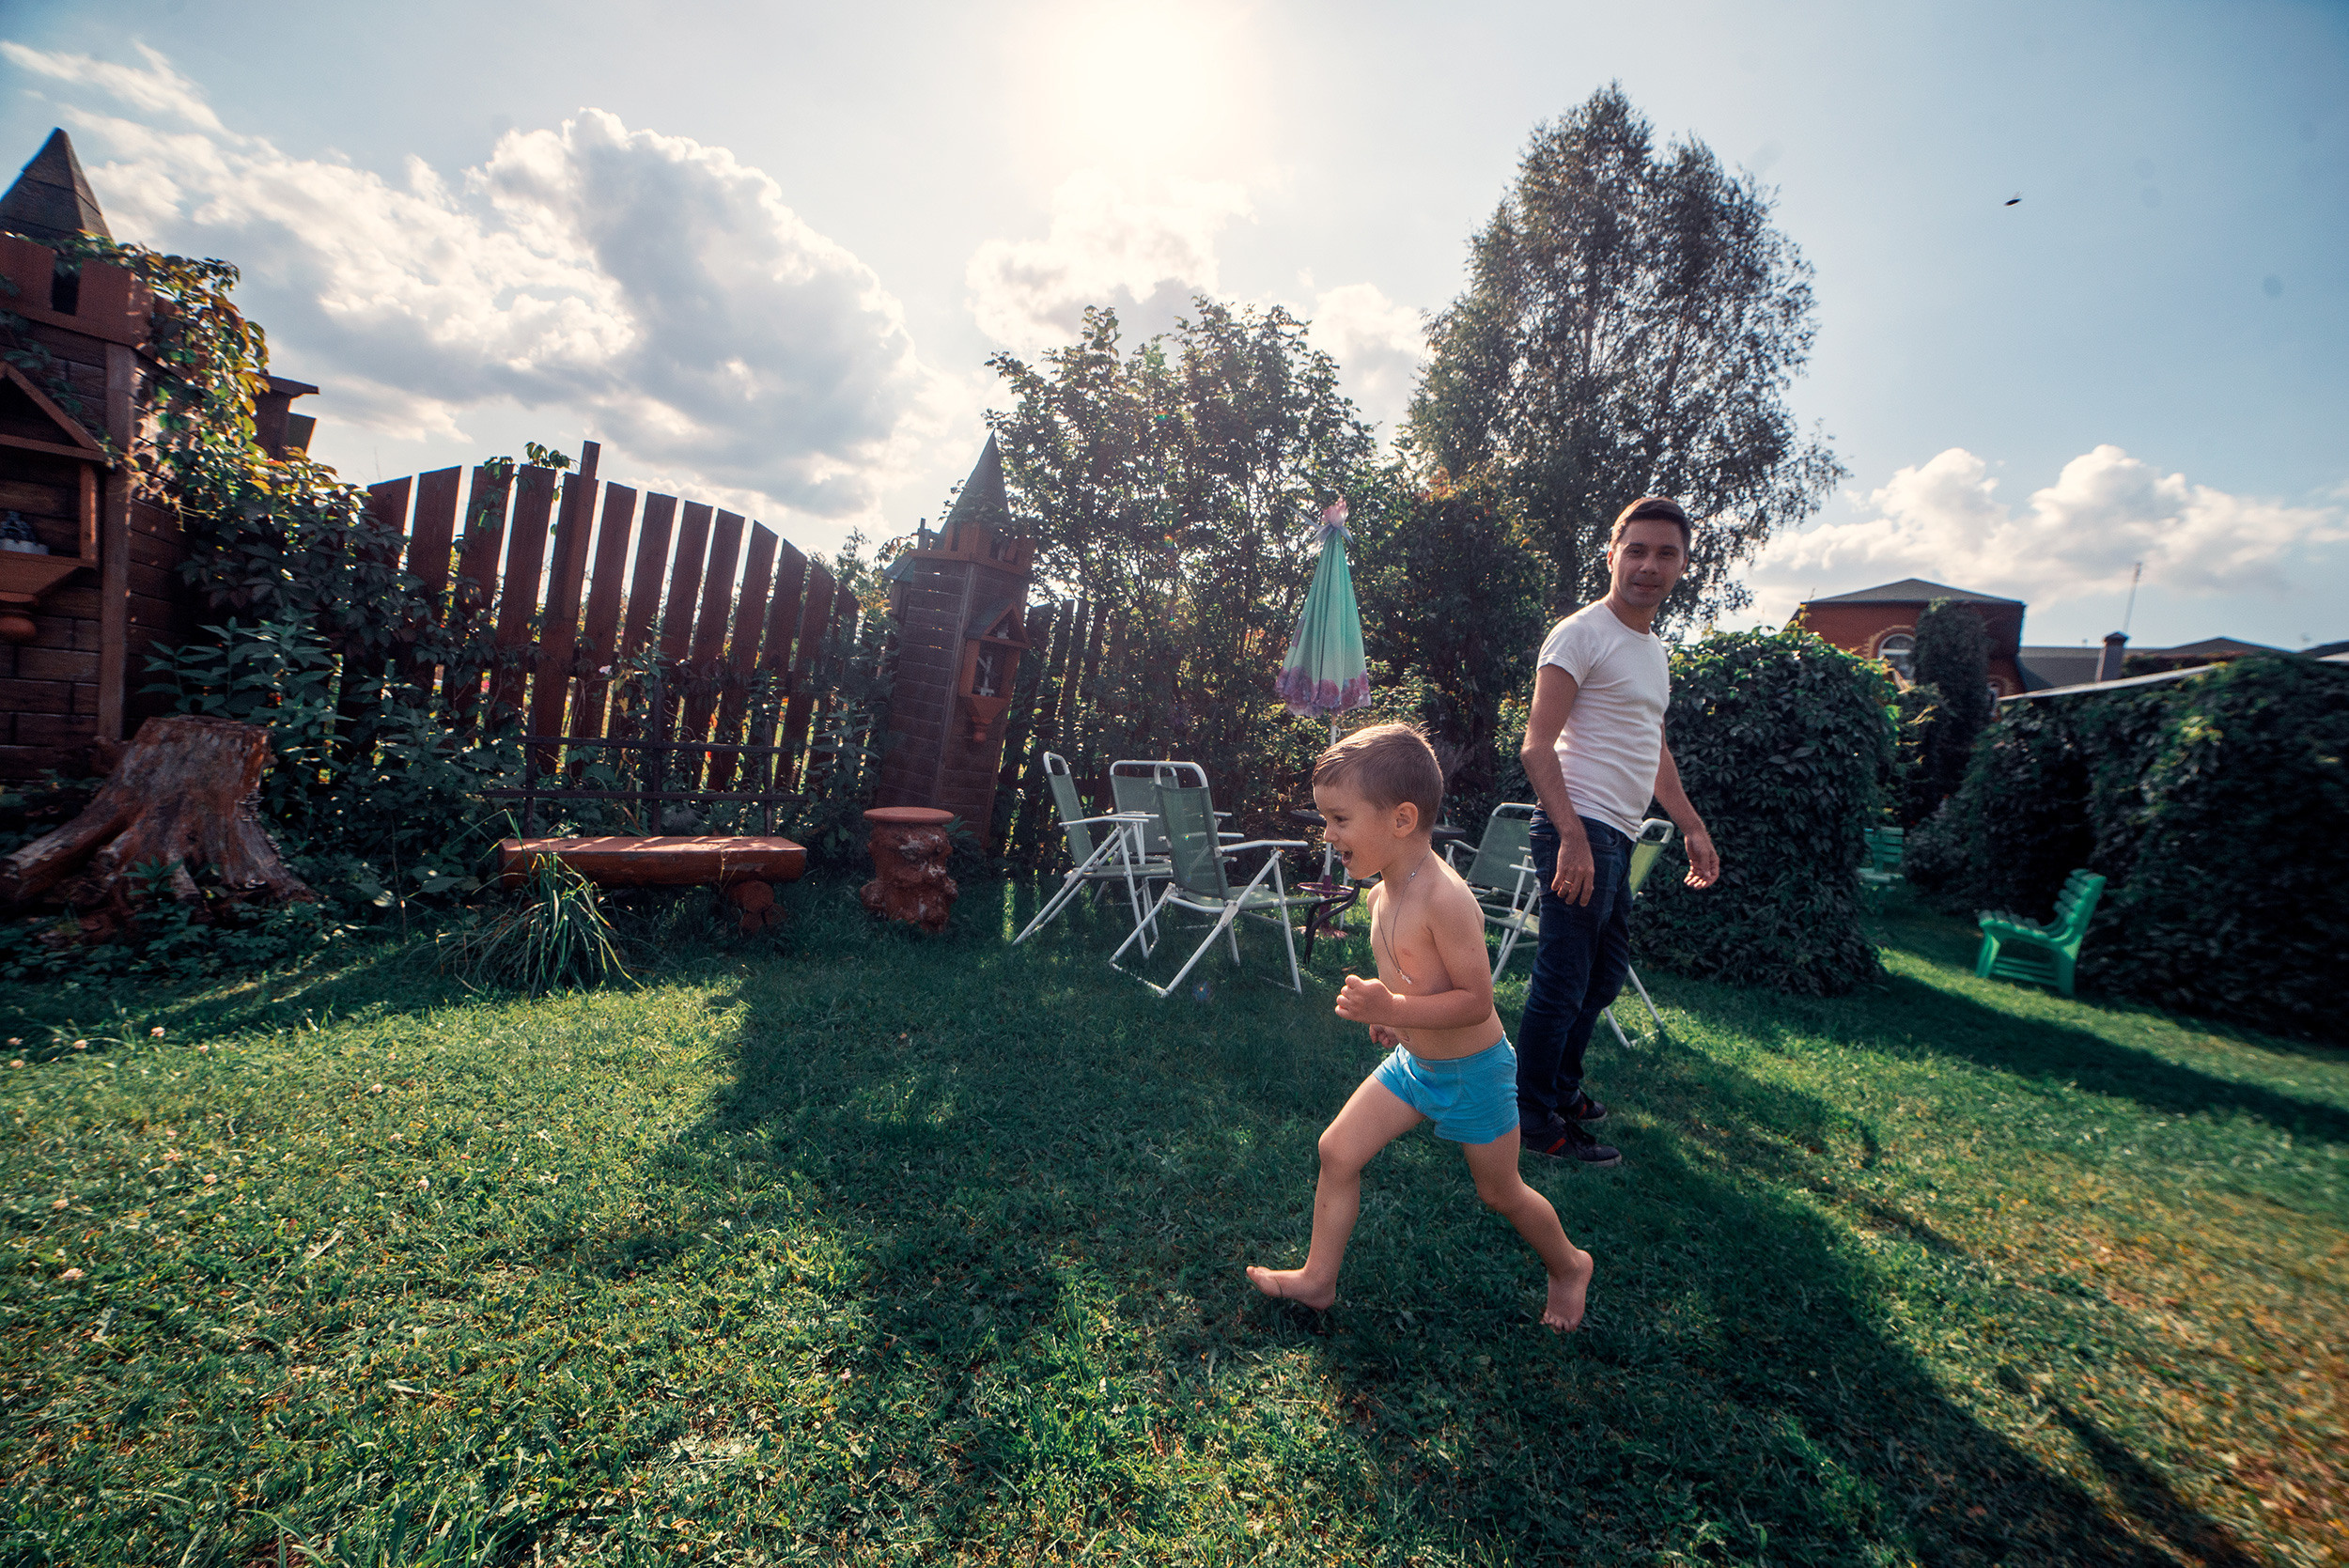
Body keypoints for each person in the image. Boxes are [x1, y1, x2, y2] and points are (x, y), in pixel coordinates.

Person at [1247, 723, 1595, 1330]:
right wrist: (1395, 1023)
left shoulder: (1446, 898)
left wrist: (1396, 1008)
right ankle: (1318, 1278)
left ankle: (1569, 1265)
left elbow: (1476, 1002)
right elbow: (1417, 991)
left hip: (1474, 1073)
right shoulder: (1380, 896)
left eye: (1340, 819)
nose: (1328, 835)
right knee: (1336, 1149)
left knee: (1500, 1192)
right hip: (1416, 1066)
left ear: (1402, 818)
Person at [1516, 496, 1721, 1168]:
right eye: (1636, 549)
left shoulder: (1654, 651)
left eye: (1665, 553)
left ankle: (1562, 1089)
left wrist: (1690, 823)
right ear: (1612, 553)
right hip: (1579, 828)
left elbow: (1653, 750)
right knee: (1565, 978)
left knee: (1601, 979)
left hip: (1618, 835)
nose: (1648, 565)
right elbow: (1536, 747)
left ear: (1683, 565)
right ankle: (1529, 1115)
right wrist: (1571, 835)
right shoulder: (1580, 634)